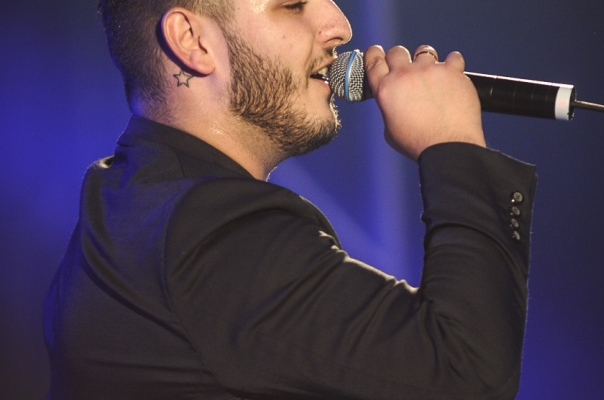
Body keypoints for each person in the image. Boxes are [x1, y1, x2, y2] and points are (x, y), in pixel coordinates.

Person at [43, 0, 537, 399]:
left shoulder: (125, 197)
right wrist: (453, 145)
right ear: (192, 41)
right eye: (293, 5)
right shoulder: (213, 233)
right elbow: (467, 370)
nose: (339, 26)